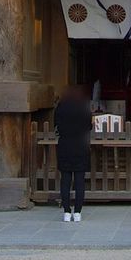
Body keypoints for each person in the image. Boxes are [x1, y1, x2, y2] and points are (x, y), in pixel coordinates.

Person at [54, 85, 92, 222]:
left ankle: (66, 211)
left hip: (64, 144)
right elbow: (89, 126)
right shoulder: (84, 108)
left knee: (65, 180)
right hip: (80, 145)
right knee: (80, 180)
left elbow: (56, 124)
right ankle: (77, 212)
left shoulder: (60, 107)